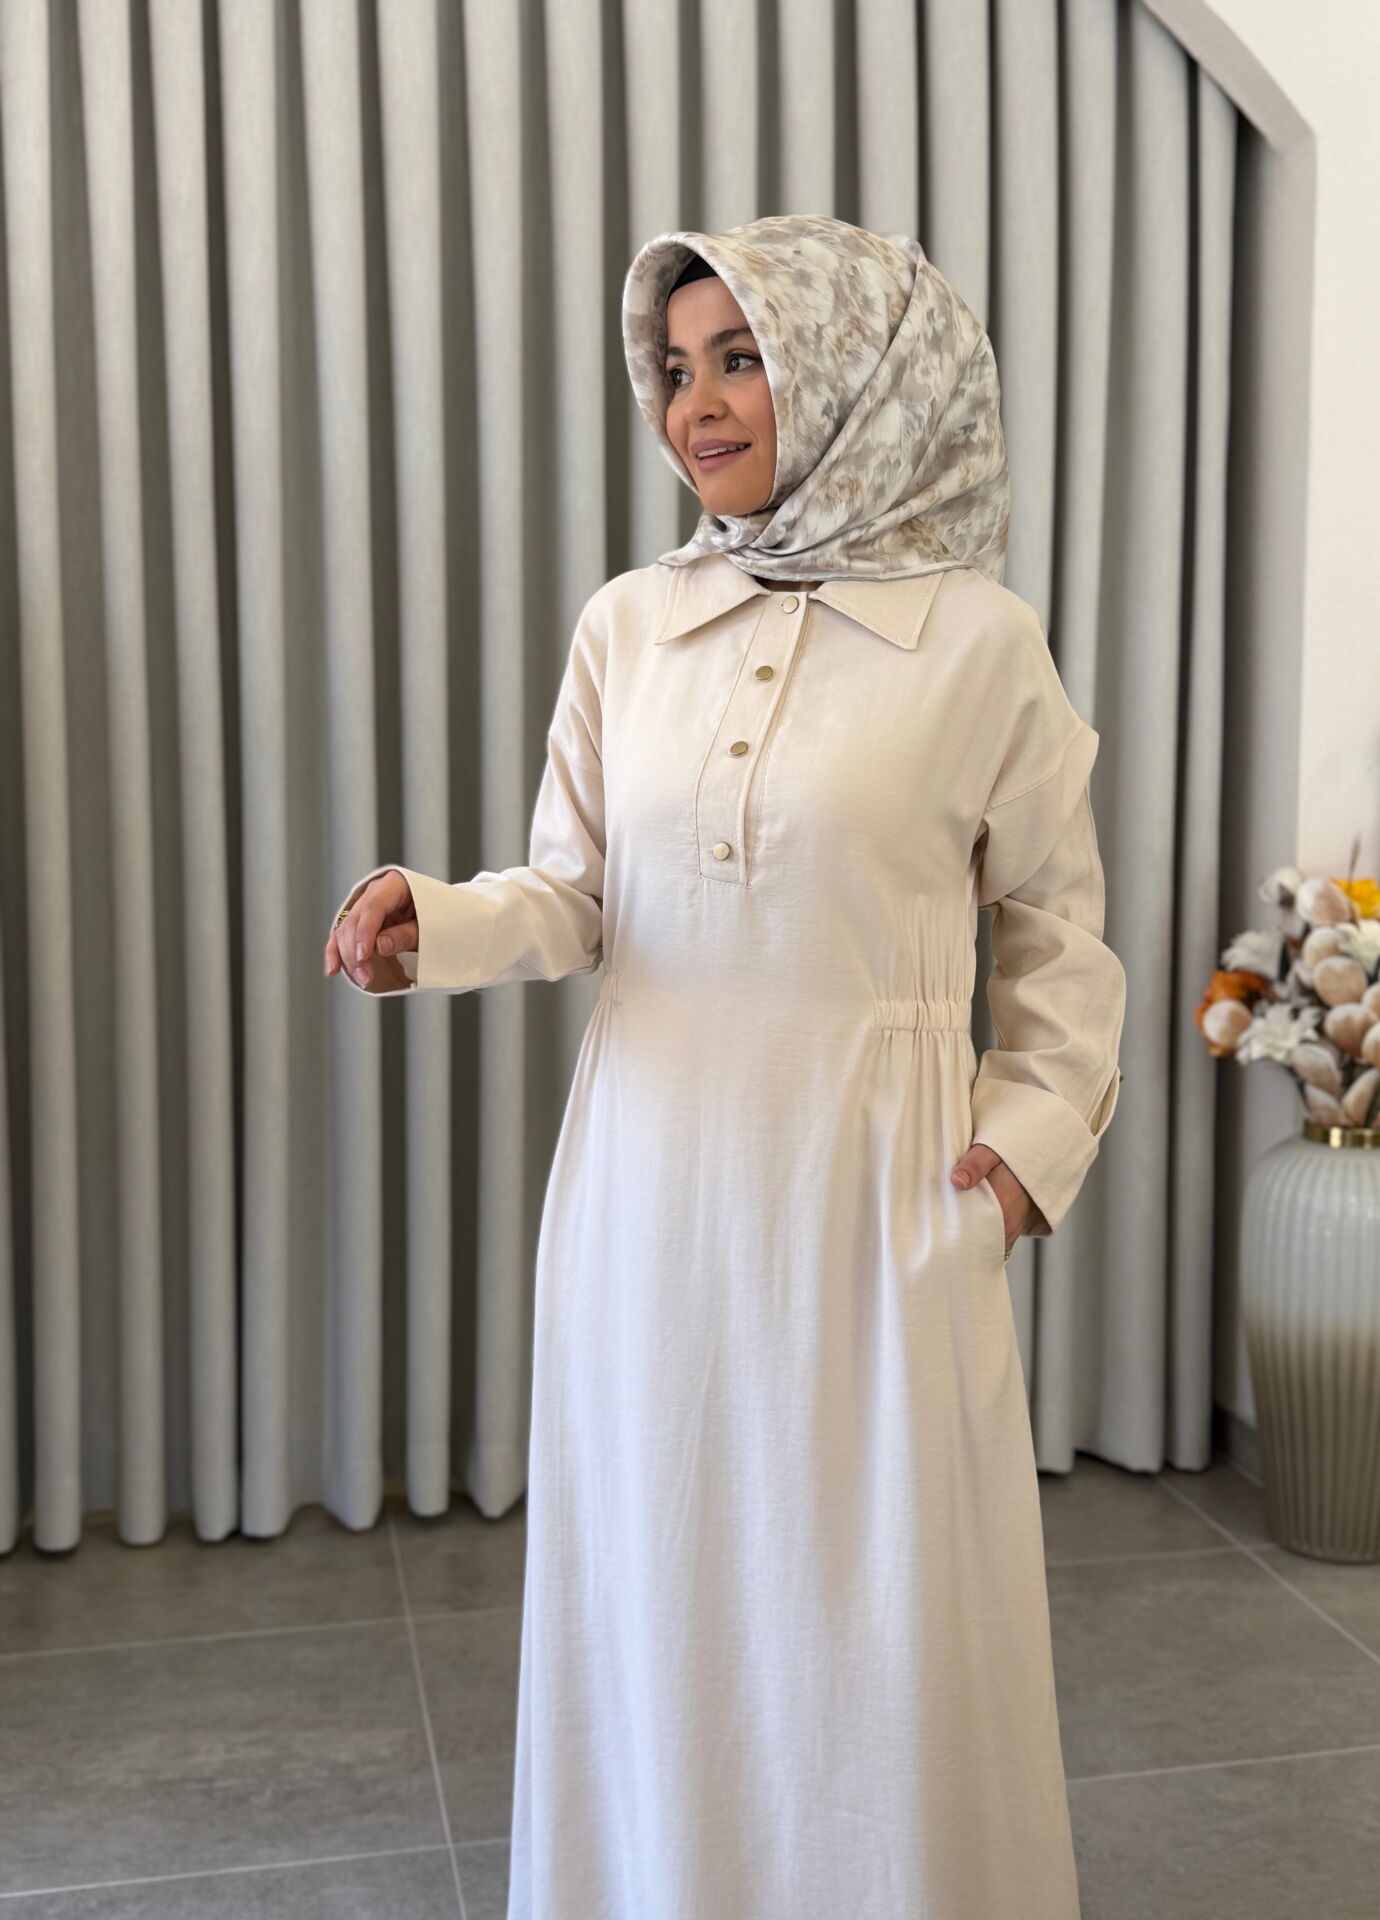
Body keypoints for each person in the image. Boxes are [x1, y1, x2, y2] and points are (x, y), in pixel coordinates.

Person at [325, 213, 1125, 1919]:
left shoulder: (980, 643)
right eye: (675, 368)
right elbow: (574, 893)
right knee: (664, 1592)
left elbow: (1060, 930)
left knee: (882, 1619)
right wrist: (433, 921)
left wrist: (1024, 1149)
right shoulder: (632, 623)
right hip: (653, 1188)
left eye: (741, 360)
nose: (693, 405)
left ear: (850, 374)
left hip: (879, 1198)